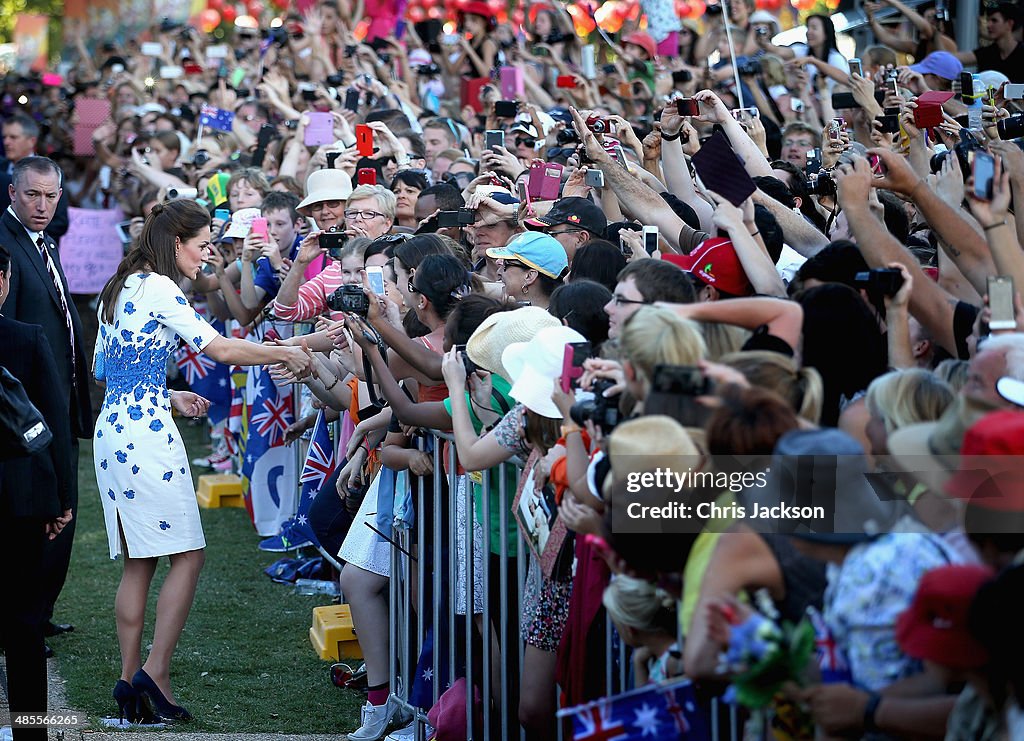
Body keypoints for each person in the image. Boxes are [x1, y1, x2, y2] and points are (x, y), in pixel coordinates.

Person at [92, 198, 313, 722]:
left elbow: (108, 370)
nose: (208, 254)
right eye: (202, 245)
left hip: (114, 431)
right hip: (145, 437)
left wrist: (165, 394)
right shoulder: (162, 286)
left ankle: (129, 685)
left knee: (139, 561)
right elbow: (224, 351)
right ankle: (156, 671)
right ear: (176, 244)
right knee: (188, 554)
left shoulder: (117, 287)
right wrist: (290, 348)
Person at [0, 156, 92, 647]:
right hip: (25, 419)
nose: (41, 204)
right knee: (40, 516)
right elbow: (7, 338)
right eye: (32, 194)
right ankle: (25, 615)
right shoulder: (3, 244)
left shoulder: (44, 241)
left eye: (50, 196)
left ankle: (37, 610)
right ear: (12, 192)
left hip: (55, 405)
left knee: (61, 512)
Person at [0, 244, 74, 741]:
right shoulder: (26, 339)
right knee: (24, 627)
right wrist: (62, 499)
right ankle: (32, 733)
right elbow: (55, 423)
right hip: (21, 503)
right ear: (5, 283)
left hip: (22, 502)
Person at [0, 116, 70, 239]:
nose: (6, 142)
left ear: (31, 141)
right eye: (4, 137)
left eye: (13, 137)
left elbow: (60, 224)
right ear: (12, 191)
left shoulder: (52, 174)